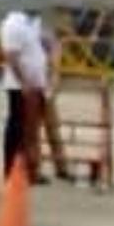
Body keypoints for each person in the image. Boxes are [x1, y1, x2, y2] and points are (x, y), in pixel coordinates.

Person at [0, 9, 50, 183]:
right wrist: (23, 81)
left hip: (36, 85)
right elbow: (11, 56)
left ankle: (29, 167)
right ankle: (12, 169)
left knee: (31, 130)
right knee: (18, 128)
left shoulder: (33, 22)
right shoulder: (13, 24)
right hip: (19, 86)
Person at [37, 12, 71, 181]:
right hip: (37, 84)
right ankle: (35, 166)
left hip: (47, 86)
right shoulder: (41, 34)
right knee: (35, 129)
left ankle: (61, 166)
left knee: (52, 128)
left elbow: (56, 66)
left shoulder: (55, 40)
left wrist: (54, 86)